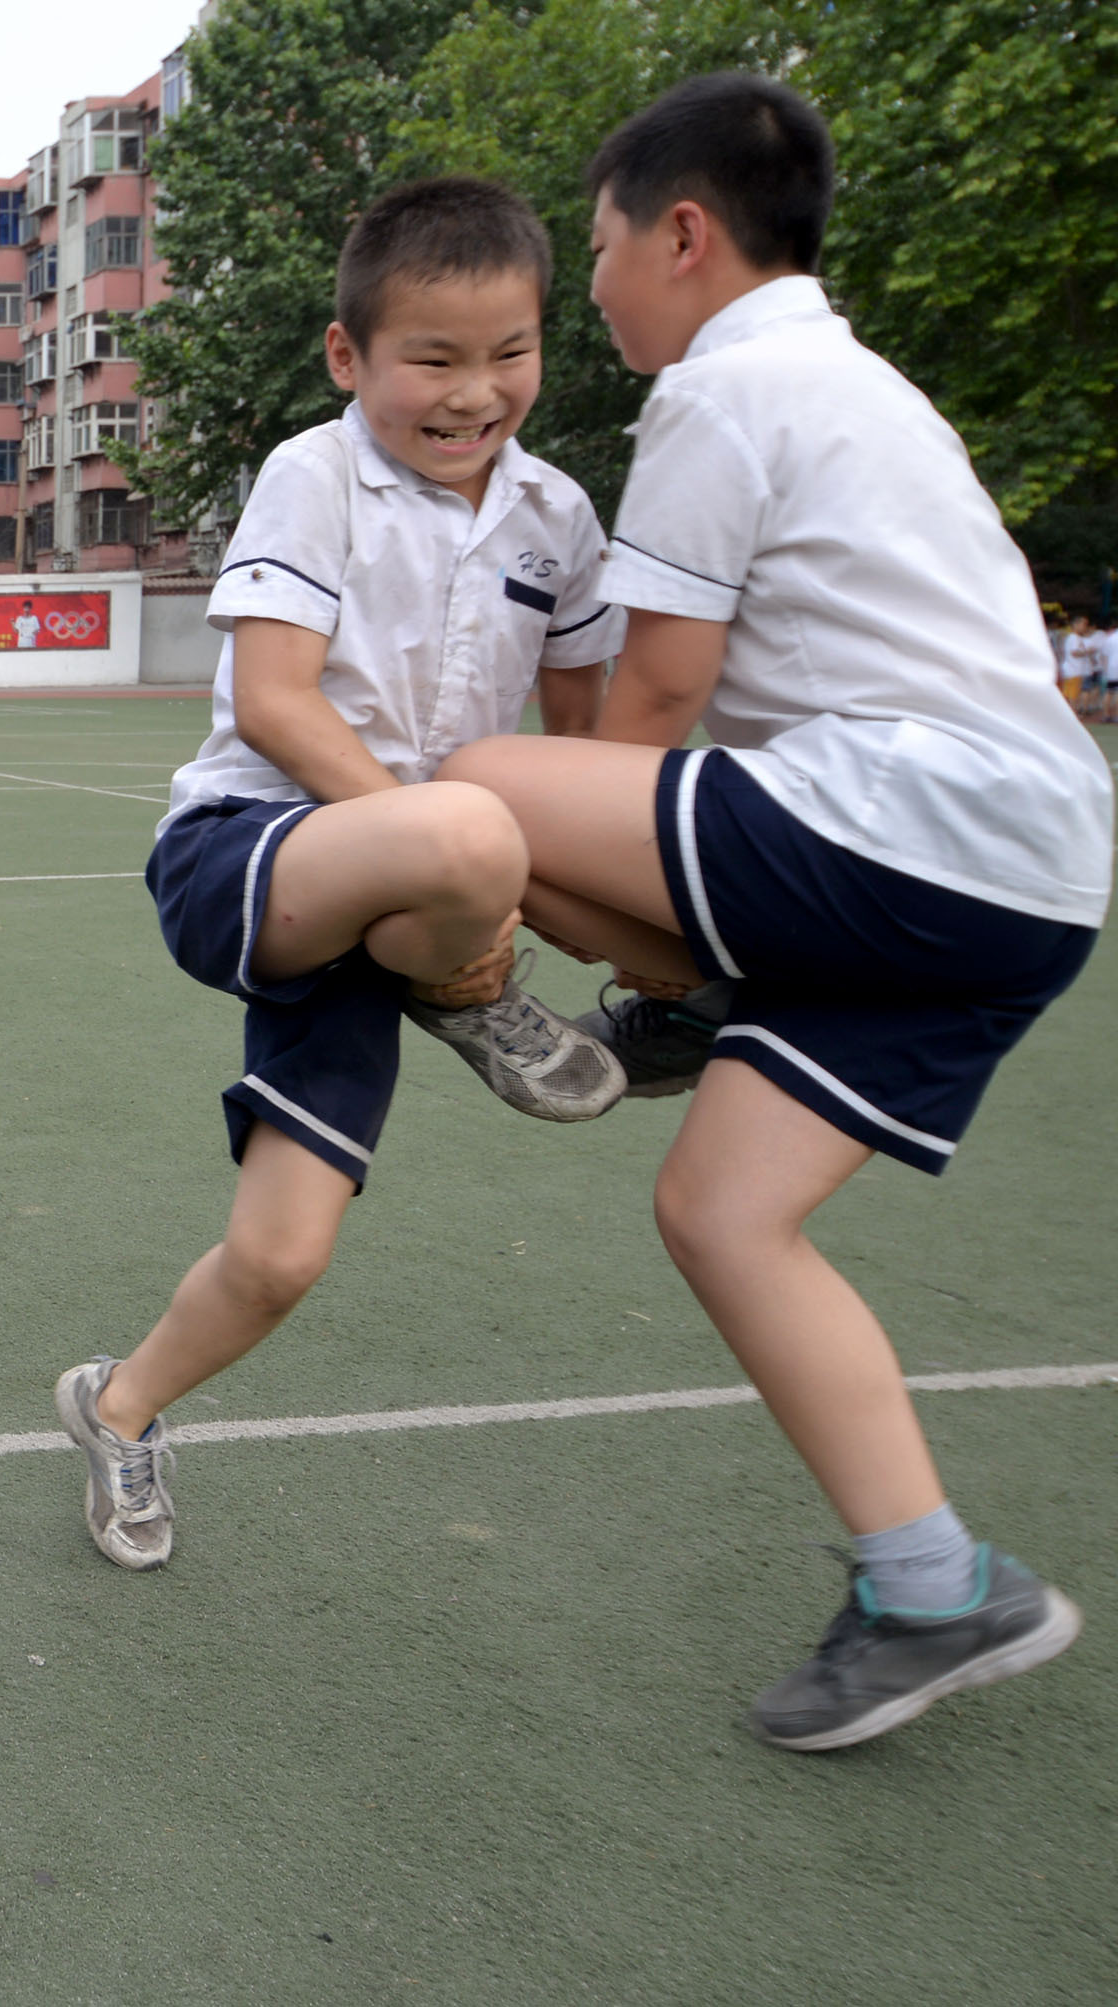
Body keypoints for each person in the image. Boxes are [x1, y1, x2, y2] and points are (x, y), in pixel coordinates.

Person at [432, 76, 1102, 1750]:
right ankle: (934, 1582)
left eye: (595, 249)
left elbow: (653, 709)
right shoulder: (864, 386)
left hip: (917, 832)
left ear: (684, 233)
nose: (585, 288)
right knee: (724, 1208)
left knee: (471, 787)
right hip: (1031, 877)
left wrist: (500, 887)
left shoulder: (733, 388)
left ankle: (698, 993)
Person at [54, 177, 626, 1577]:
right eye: (432, 357)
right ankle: (465, 976)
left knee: (284, 1254)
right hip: (252, 855)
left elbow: (592, 747)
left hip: (406, 912)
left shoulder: (558, 515)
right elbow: (275, 701)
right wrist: (469, 889)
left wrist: (646, 941)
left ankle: (116, 1405)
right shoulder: (317, 474)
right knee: (476, 828)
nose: (474, 391)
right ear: (348, 356)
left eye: (511, 353)